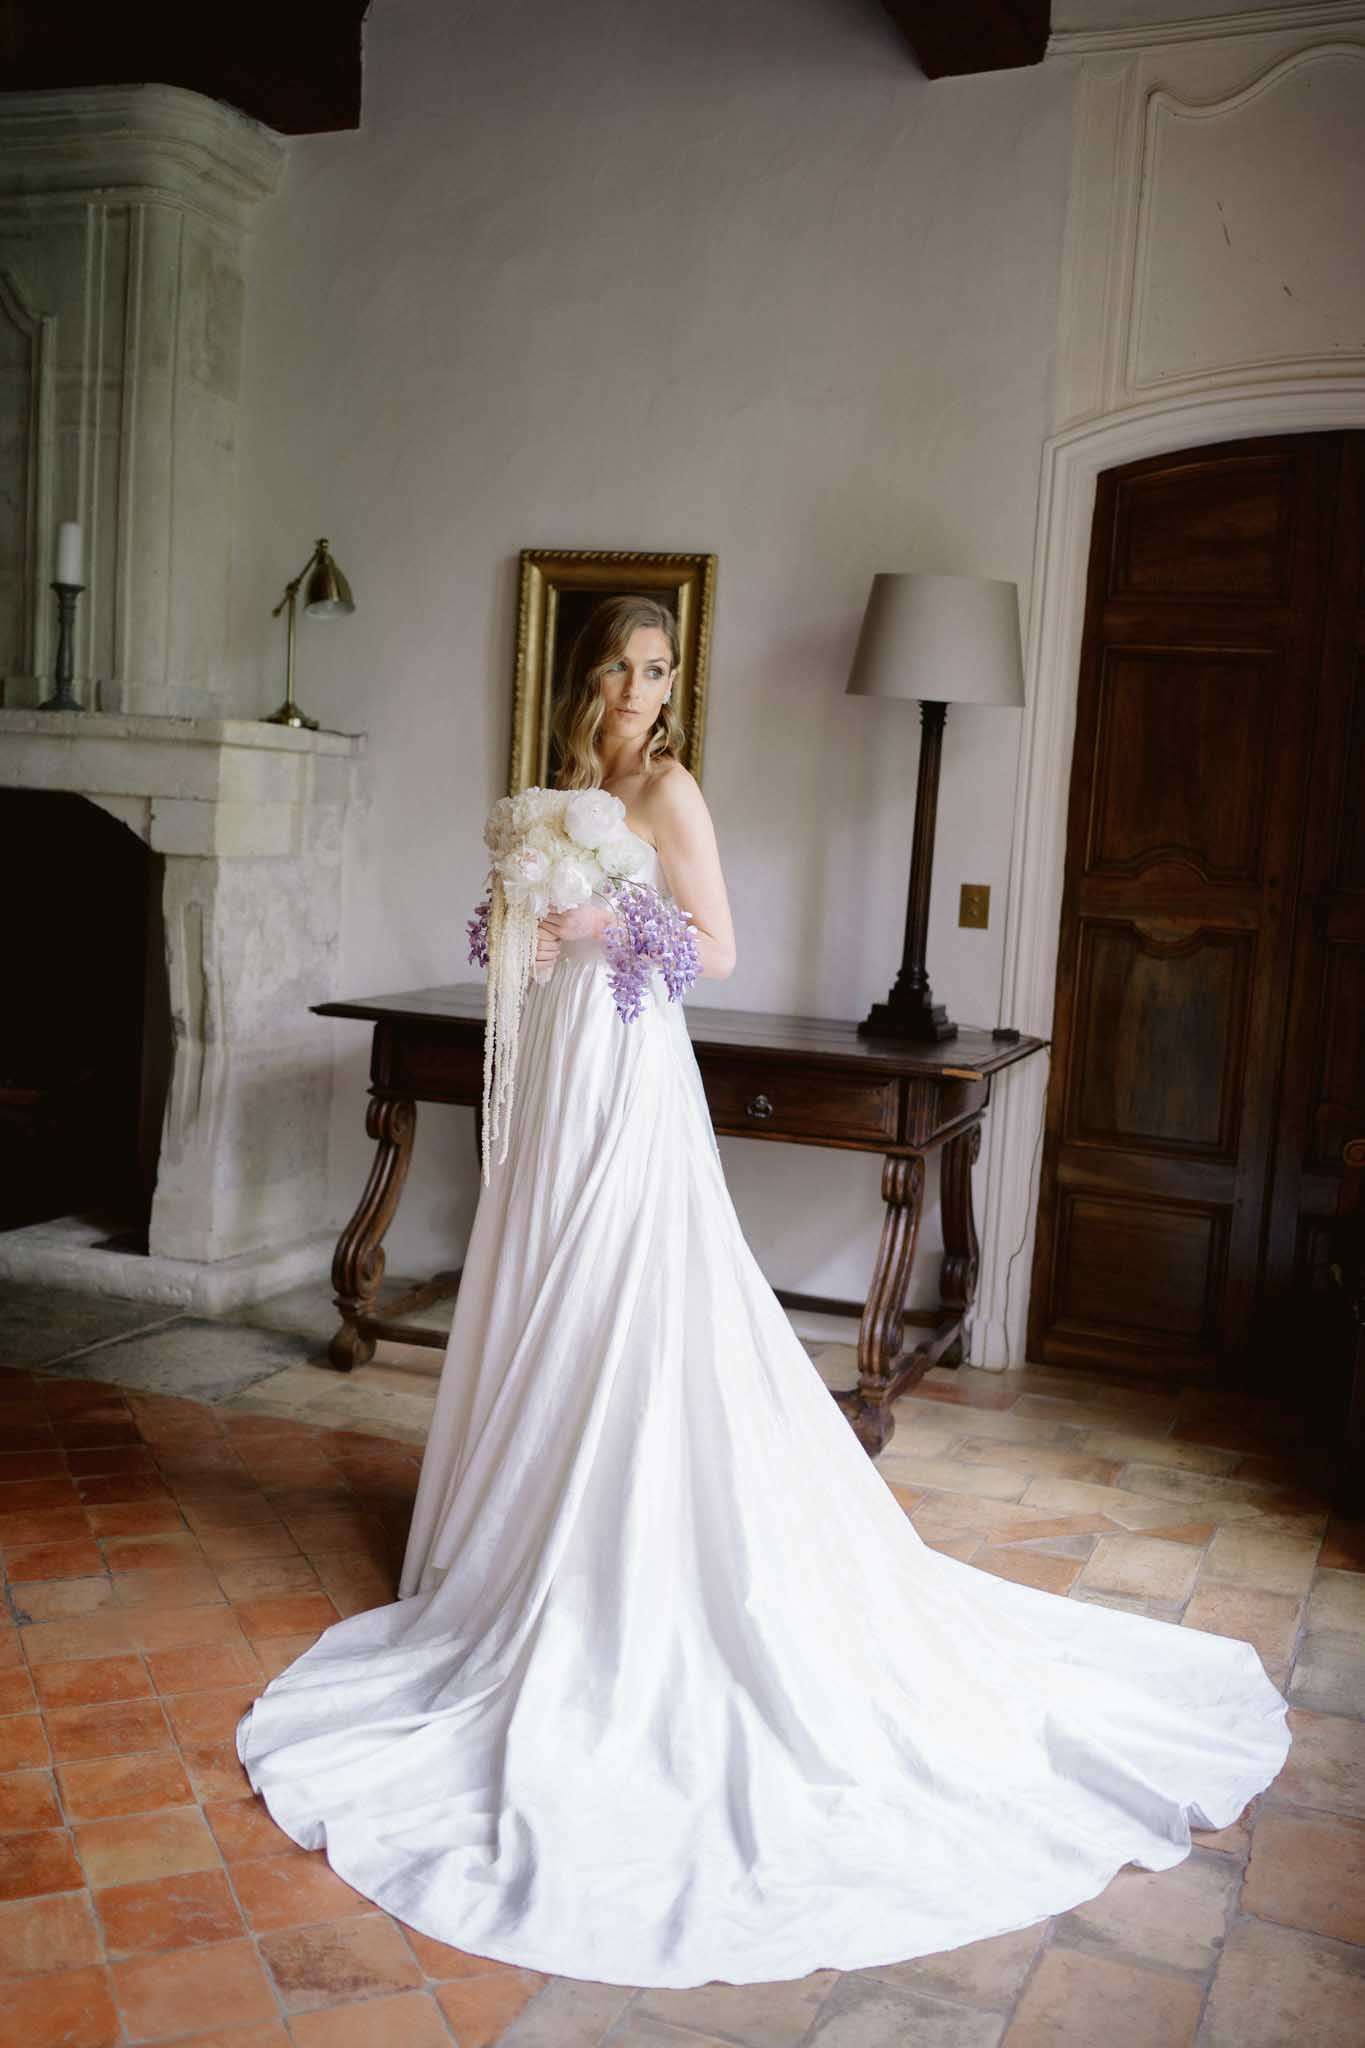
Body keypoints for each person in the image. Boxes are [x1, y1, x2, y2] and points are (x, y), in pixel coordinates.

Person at [235, 592, 1291, 1992]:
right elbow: (517, 939)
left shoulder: (669, 786)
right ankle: (520, 1519)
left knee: (625, 1287)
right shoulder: (563, 787)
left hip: (627, 1067)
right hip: (553, 1060)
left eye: (657, 667)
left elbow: (714, 950)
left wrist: (607, 917)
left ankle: (617, 1540)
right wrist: (519, 919)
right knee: (541, 1273)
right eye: (620, 665)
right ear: (586, 677)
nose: (638, 689)